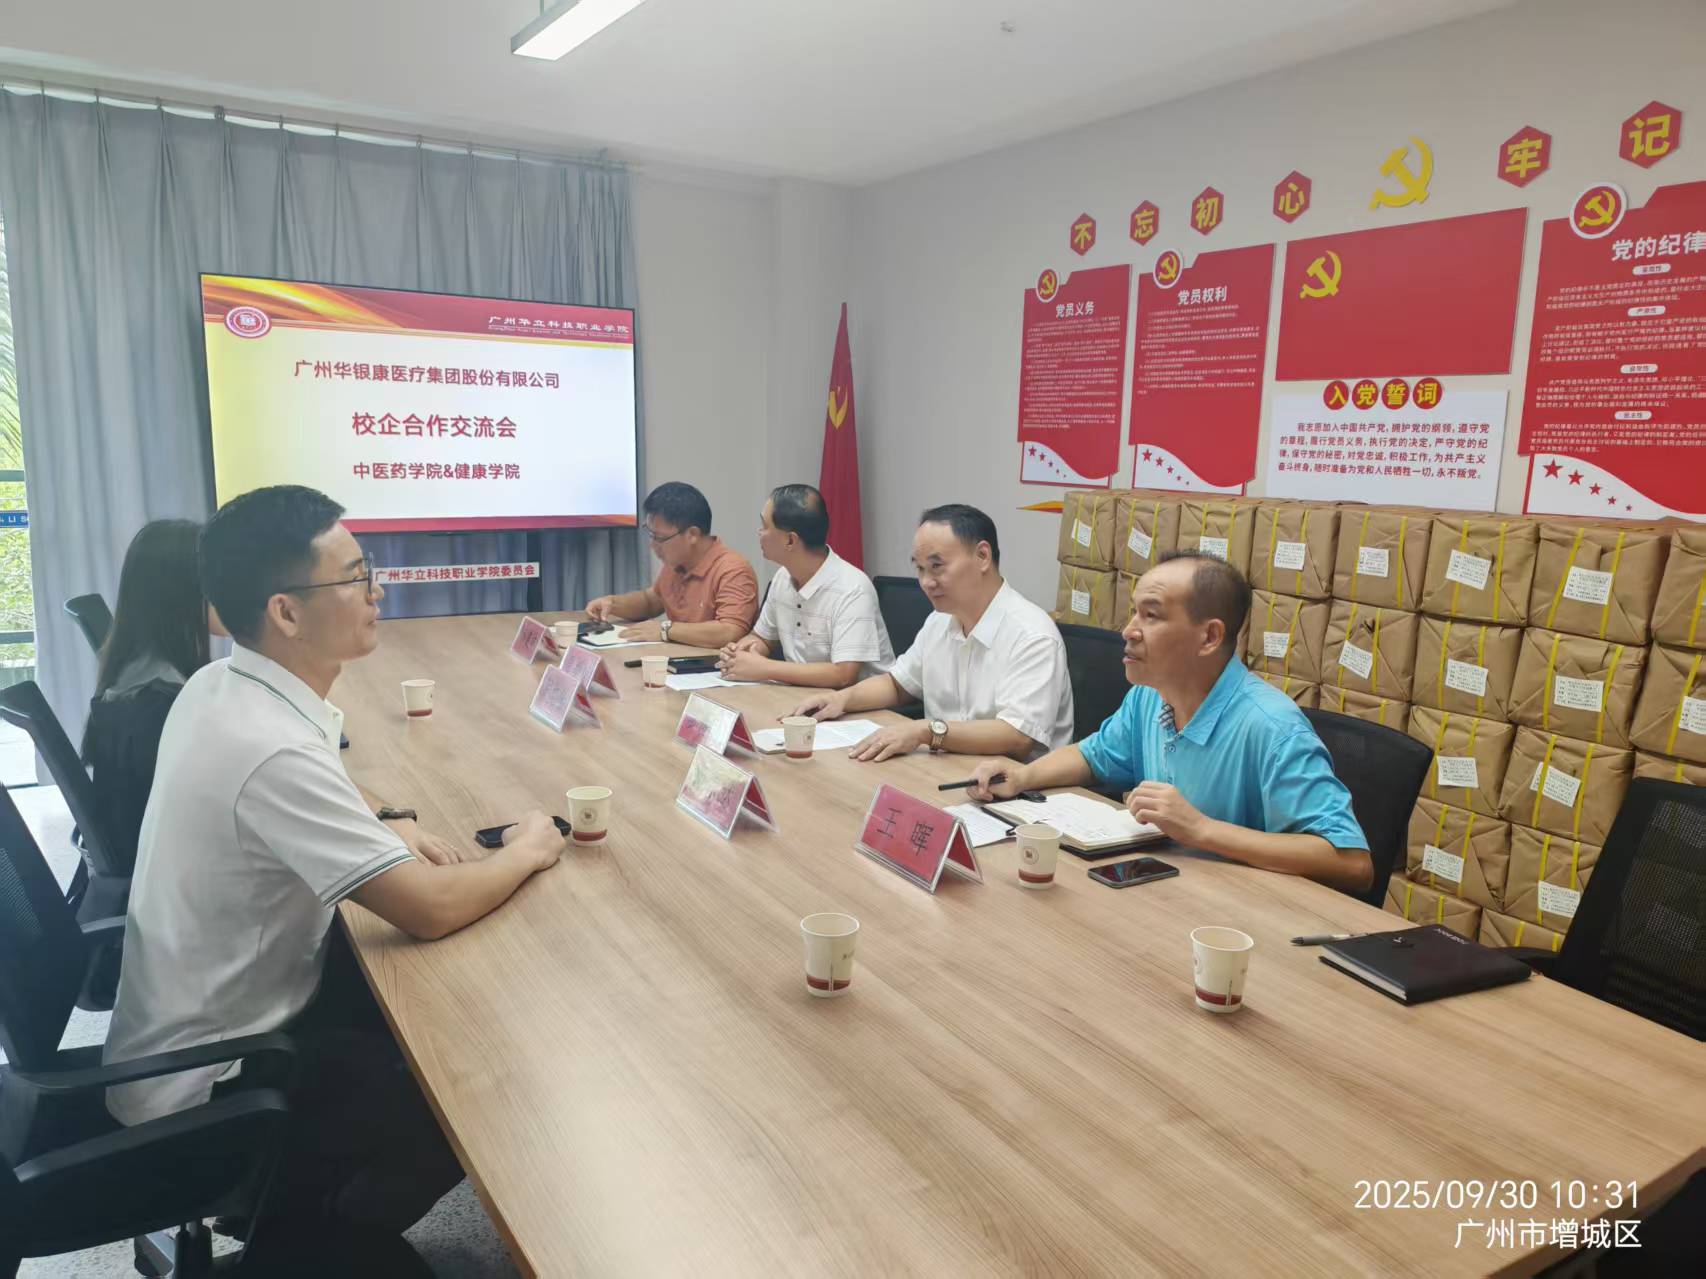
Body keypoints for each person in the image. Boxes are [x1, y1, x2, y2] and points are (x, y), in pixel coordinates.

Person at [103, 485, 566, 1274]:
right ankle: (308, 1241)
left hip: (189, 1034)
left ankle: (308, 1223)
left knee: (433, 1011)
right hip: (214, 1084)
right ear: (286, 612)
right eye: (355, 576)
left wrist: (385, 816)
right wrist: (527, 849)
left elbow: (314, 772)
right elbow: (425, 907)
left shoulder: (222, 685)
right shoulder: (265, 743)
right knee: (475, 1088)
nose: (376, 590)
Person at [969, 552, 1371, 893]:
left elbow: (1353, 864)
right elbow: (1094, 755)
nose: (1129, 631)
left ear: (1209, 637)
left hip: (1239, 916)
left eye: (1151, 615)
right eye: (1134, 612)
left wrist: (1200, 829)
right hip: (1168, 891)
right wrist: (1023, 777)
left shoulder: (1273, 728)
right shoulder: (1150, 696)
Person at [793, 503, 1073, 762]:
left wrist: (926, 732)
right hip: (944, 768)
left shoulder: (1032, 634)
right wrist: (840, 700)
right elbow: (898, 685)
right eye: (920, 568)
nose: (926, 582)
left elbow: (1017, 737)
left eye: (937, 567)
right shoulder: (939, 621)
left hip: (1014, 786)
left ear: (982, 556)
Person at [80, 519, 222, 903]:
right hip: (173, 891)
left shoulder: (137, 673)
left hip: (151, 871)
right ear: (186, 593)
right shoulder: (163, 708)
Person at [717, 484, 893, 688]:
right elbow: (763, 638)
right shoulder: (783, 577)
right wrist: (740, 654)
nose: (759, 532)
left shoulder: (853, 589)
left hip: (860, 704)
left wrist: (764, 668)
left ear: (790, 541)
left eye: (764, 526)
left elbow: (843, 675)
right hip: (802, 695)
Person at [585, 481, 758, 648]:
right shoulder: (677, 562)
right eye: (650, 535)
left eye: (659, 538)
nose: (652, 545)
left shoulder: (733, 570)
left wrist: (665, 630)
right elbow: (651, 601)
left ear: (692, 534)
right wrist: (613, 603)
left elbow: (729, 631)